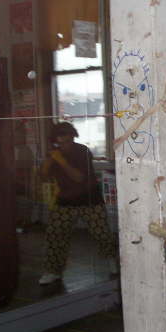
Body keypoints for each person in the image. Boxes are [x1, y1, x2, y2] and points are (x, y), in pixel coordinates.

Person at [38, 122, 118, 285]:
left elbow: (78, 177)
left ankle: (112, 262)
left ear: (72, 136)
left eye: (66, 138)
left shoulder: (82, 151)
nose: (63, 142)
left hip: (89, 199)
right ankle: (53, 270)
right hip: (65, 201)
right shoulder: (55, 153)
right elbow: (43, 177)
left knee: (101, 234)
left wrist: (60, 160)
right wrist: (48, 161)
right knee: (55, 235)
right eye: (59, 139)